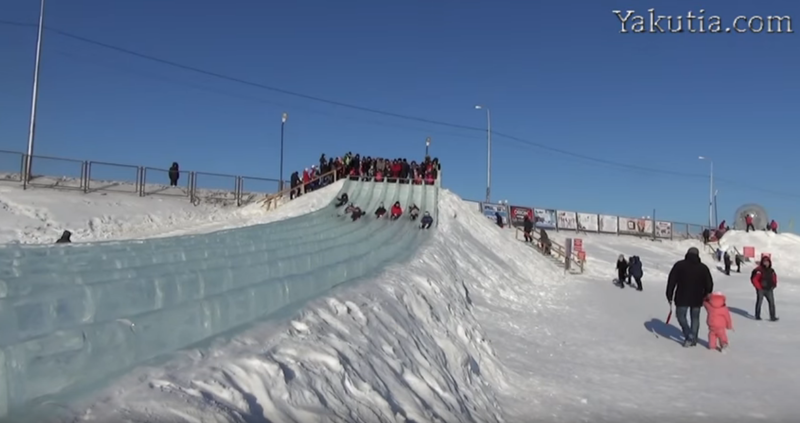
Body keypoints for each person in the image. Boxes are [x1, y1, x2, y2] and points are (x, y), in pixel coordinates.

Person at [666, 247, 714, 347]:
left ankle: (689, 335)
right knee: (695, 318)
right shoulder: (703, 268)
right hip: (697, 297)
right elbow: (709, 283)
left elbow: (672, 281)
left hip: (682, 296)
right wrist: (706, 293)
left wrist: (669, 294)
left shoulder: (679, 265)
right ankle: (693, 338)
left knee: (680, 316)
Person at [751, 256, 779, 321]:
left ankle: (772, 317)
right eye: (764, 262)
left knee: (771, 303)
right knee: (759, 302)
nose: (766, 263)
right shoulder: (759, 270)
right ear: (762, 262)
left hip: (769, 289)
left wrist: (774, 285)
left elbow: (774, 278)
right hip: (761, 289)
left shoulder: (771, 270)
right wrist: (759, 287)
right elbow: (754, 279)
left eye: (767, 262)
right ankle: (757, 316)